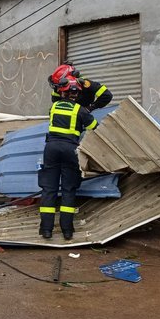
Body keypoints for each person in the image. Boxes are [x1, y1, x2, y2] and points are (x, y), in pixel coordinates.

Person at [39, 73, 98, 241]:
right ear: (77, 94)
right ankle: (67, 231)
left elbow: (55, 101)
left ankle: (46, 230)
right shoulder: (80, 110)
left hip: (51, 149)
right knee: (68, 189)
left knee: (49, 189)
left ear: (62, 93)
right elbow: (94, 127)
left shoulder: (54, 108)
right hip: (70, 150)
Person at [48, 63, 113, 111]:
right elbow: (55, 101)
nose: (58, 89)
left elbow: (106, 95)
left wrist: (90, 108)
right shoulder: (58, 87)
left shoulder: (86, 84)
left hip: (84, 117)